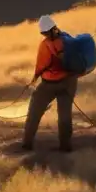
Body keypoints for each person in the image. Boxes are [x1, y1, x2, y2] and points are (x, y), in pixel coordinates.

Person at [22, 15, 77, 153]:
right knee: (65, 116)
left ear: (45, 32)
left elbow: (41, 66)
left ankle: (27, 144)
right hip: (69, 82)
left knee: (34, 112)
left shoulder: (45, 45)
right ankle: (66, 147)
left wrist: (35, 77)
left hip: (49, 84)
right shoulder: (67, 39)